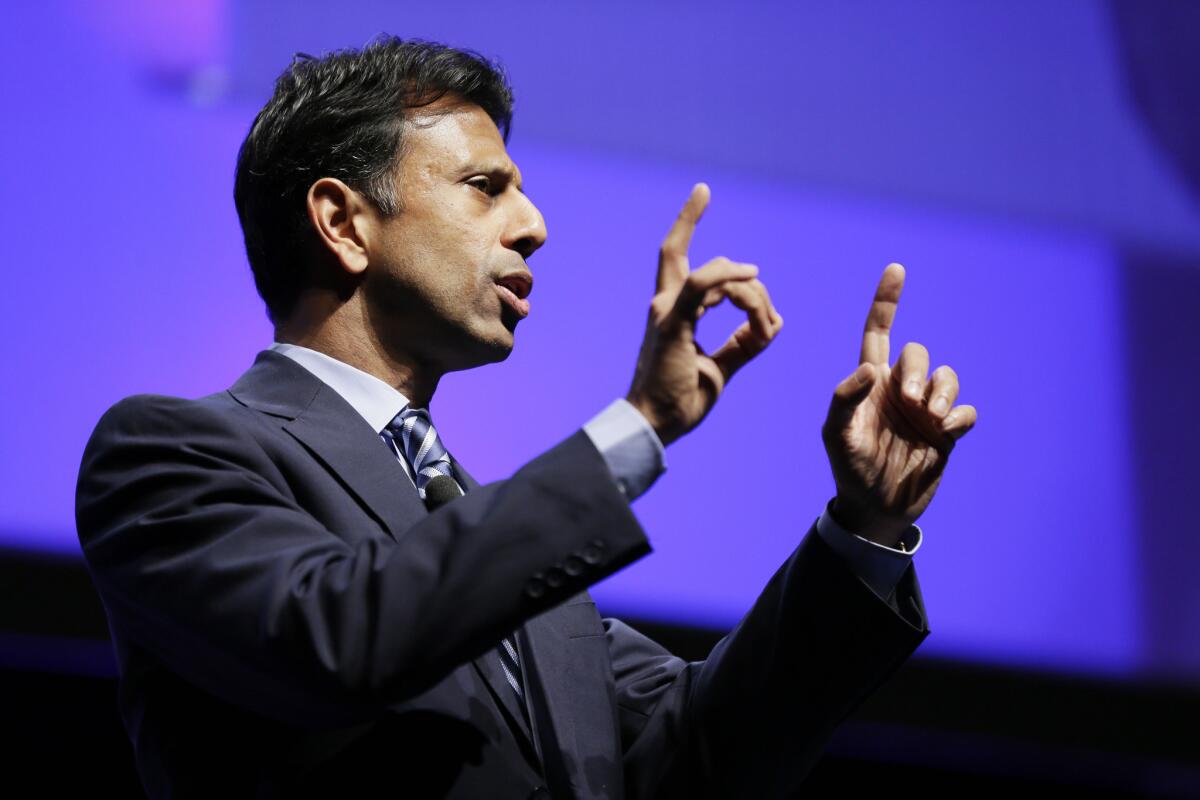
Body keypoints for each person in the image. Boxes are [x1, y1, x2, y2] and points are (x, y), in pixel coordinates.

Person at [75, 37, 976, 799]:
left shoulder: (506, 551)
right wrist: (641, 426)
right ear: (343, 223)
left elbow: (703, 751)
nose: (534, 224)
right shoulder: (170, 454)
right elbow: (334, 639)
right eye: (483, 184)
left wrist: (868, 525)